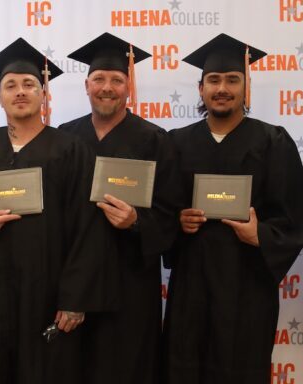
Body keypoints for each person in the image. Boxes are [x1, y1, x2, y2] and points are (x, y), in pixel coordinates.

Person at [0, 37, 118, 384]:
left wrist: (75, 298)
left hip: (48, 295)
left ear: (44, 94)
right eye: (10, 85)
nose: (20, 92)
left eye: (29, 84)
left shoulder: (71, 150)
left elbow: (88, 228)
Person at [162, 33, 303, 383]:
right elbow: (161, 211)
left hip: (247, 285)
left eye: (232, 80)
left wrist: (262, 234)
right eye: (213, 80)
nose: (222, 88)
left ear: (246, 87)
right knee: (185, 366)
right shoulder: (176, 142)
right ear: (201, 89)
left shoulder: (273, 141)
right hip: (191, 284)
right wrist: (178, 221)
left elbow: (295, 217)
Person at [58, 32, 182, 384]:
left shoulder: (154, 139)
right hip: (76, 281)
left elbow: (171, 212)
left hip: (130, 282)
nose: (107, 88)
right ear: (86, 85)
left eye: (116, 80)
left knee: (128, 367)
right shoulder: (65, 138)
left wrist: (137, 221)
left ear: (129, 87)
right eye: (99, 79)